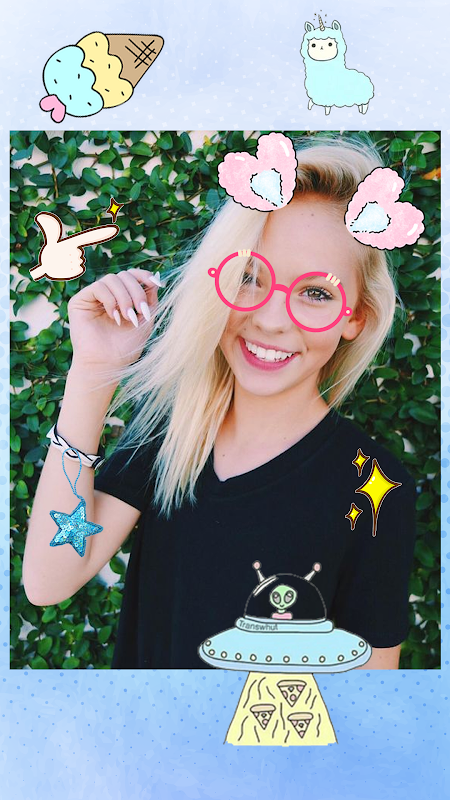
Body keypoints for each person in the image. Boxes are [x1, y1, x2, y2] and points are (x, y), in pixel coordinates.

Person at [22, 136, 417, 670]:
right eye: (249, 277)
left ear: (356, 317)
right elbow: (47, 582)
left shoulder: (375, 484)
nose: (271, 319)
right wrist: (93, 371)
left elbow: (371, 690)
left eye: (316, 293)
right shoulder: (171, 434)